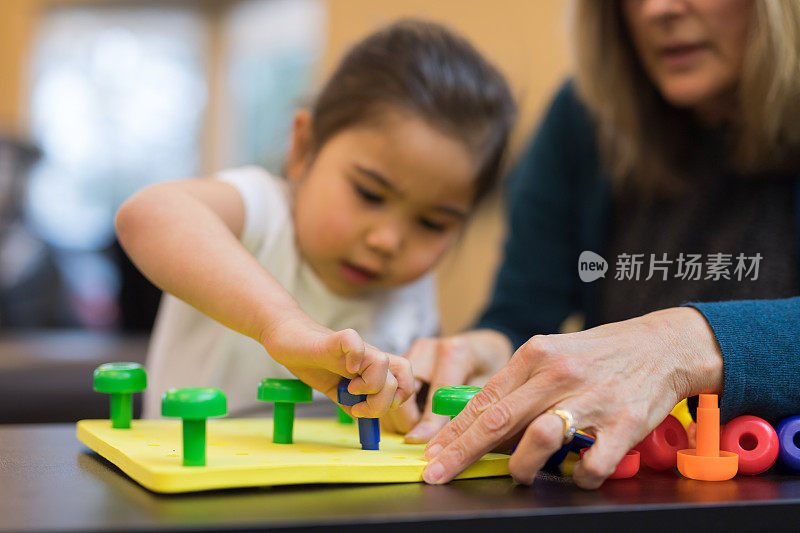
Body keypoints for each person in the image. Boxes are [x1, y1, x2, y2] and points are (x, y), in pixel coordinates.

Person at [383, 0, 800, 489]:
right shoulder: (582, 119)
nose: (656, 10)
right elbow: (522, 317)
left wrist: (684, 343)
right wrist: (494, 352)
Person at [115, 20, 516, 419]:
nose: (388, 240)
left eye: (432, 224)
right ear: (304, 148)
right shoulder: (261, 211)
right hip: (189, 477)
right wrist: (282, 323)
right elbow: (148, 212)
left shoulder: (411, 292)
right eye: (370, 194)